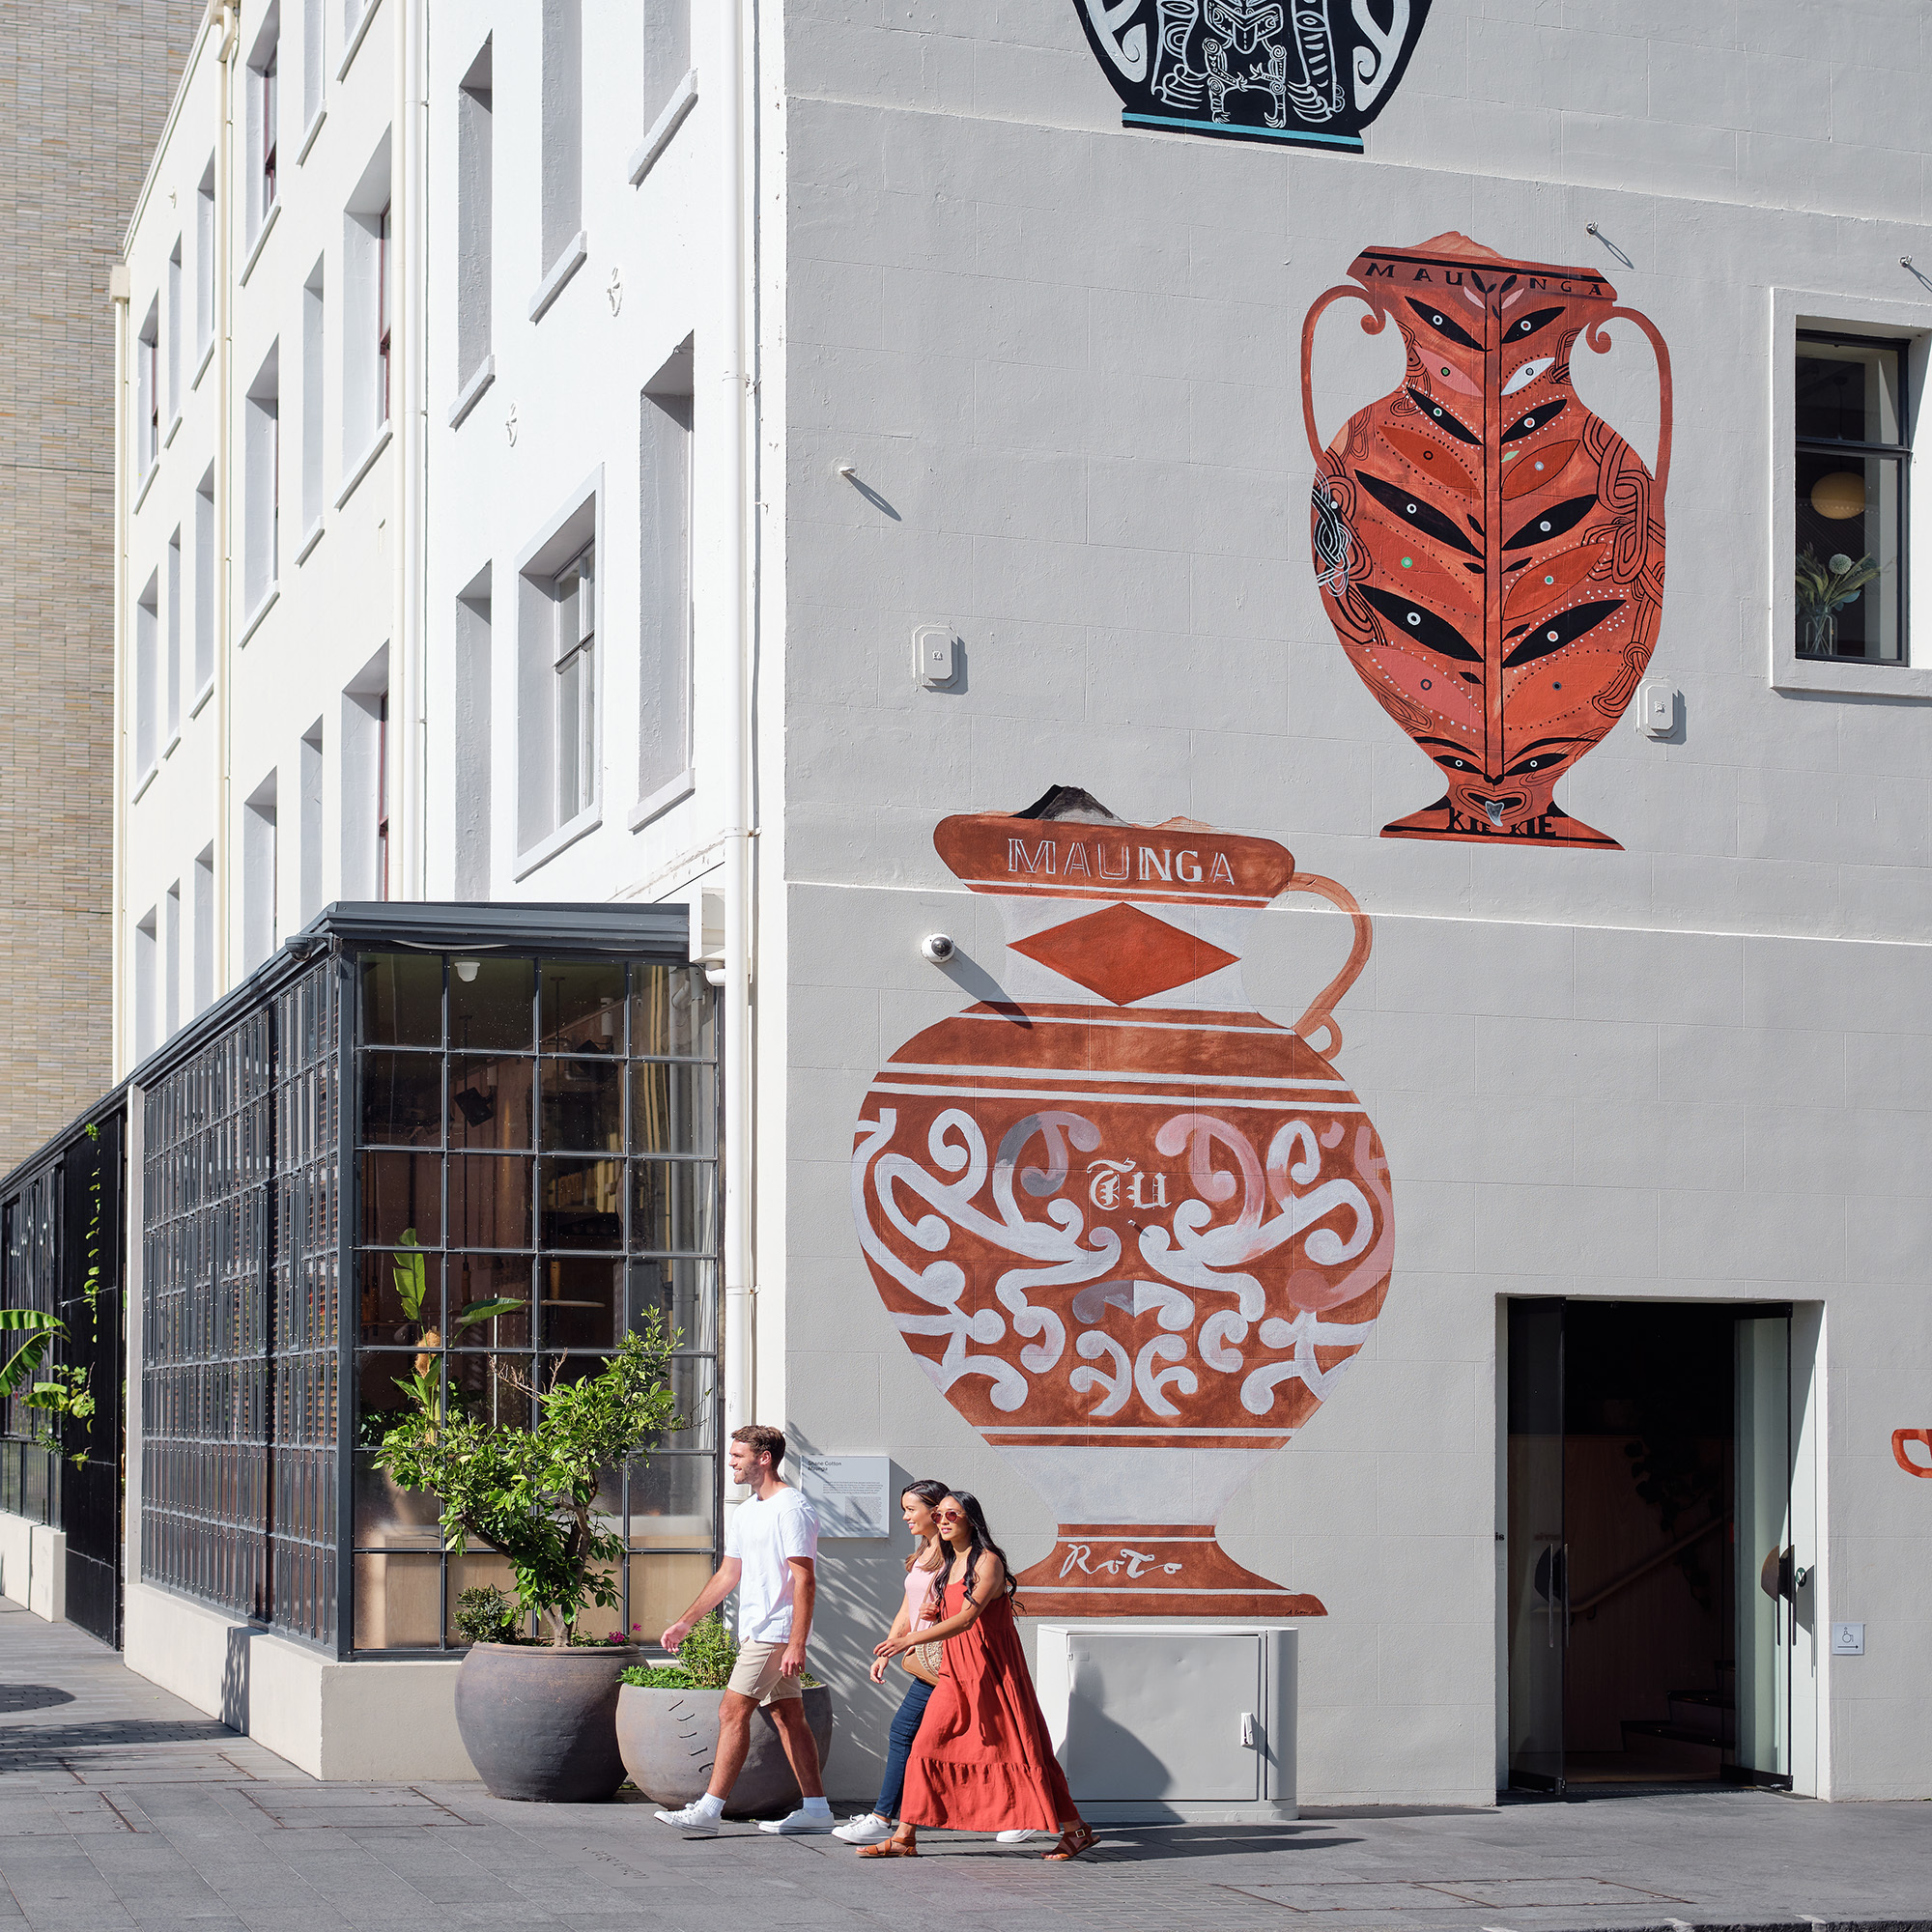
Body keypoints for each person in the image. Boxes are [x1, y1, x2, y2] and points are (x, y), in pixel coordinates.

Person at [875, 1491, 1095, 1861]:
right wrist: (931, 1613)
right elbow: (950, 1616)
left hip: (993, 1671)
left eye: (952, 1515)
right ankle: (904, 1836)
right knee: (924, 1747)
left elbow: (967, 1619)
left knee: (1026, 1750)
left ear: (970, 1521)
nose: (943, 1521)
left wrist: (910, 1638)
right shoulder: (947, 1565)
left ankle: (1075, 1830)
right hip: (955, 1672)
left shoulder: (987, 1563)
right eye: (940, 1515)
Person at [653, 1423, 832, 1835]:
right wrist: (685, 1621)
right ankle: (818, 1809)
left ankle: (709, 1810)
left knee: (732, 1711)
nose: (730, 1462)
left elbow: (805, 1579)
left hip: (776, 1632)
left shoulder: (793, 1509)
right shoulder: (748, 1510)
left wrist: (796, 1643)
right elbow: (727, 1574)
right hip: (756, 1630)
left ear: (763, 1458)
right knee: (789, 1716)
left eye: (737, 1456)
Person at [832, 1480, 952, 1851]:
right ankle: (888, 1820)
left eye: (910, 1509)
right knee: (925, 1737)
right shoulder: (925, 1553)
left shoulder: (954, 1555)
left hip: (948, 1664)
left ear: (934, 1512)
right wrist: (888, 1648)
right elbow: (908, 1606)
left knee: (908, 1733)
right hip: (928, 1663)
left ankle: (883, 1818)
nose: (904, 1517)